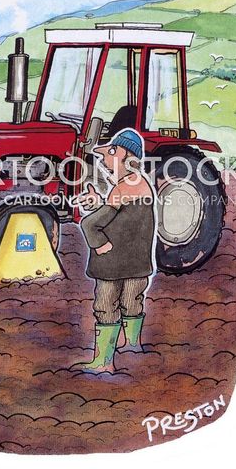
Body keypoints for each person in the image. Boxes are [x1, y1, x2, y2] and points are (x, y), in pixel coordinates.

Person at [76, 128, 156, 373]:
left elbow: (90, 224)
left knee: (106, 306)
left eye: (110, 154)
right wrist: (99, 202)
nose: (104, 162)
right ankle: (132, 346)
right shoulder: (141, 185)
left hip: (113, 266)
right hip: (137, 264)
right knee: (132, 301)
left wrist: (100, 244)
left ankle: (103, 362)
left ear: (126, 157)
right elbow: (123, 218)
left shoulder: (121, 190)